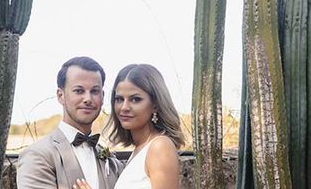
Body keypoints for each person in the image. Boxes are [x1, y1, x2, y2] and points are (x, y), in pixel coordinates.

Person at [17, 56, 123, 189]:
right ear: (61, 96)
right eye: (79, 91)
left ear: (102, 96)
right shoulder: (37, 156)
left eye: (95, 91)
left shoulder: (112, 161)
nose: (88, 99)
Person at [74, 63, 185, 189]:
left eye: (135, 99)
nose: (124, 107)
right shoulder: (139, 150)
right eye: (119, 99)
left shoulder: (159, 147)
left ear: (155, 104)